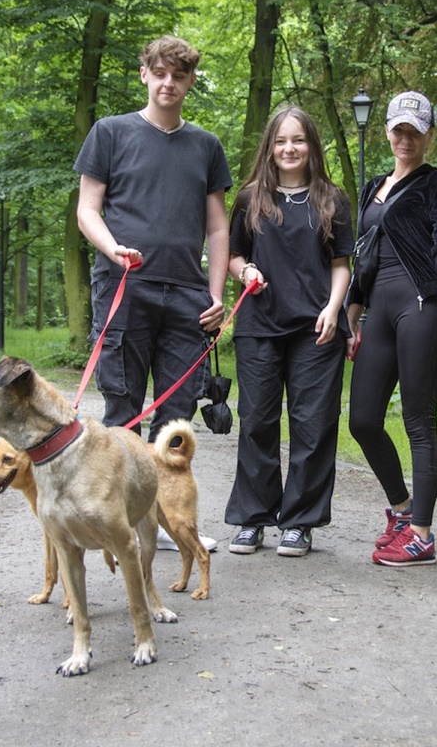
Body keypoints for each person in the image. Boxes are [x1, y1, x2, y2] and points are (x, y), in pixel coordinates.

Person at [74, 36, 229, 553]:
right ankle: (120, 522)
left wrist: (215, 294)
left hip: (187, 296)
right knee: (123, 408)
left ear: (189, 82)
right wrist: (114, 249)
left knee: (176, 417)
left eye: (179, 76)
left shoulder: (206, 146)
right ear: (144, 73)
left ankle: (166, 523)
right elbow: (87, 210)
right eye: (159, 73)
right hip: (124, 287)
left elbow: (218, 227)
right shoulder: (110, 133)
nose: (168, 83)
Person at [225, 107, 354, 557]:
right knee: (257, 422)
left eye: (298, 140)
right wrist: (246, 273)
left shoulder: (331, 200)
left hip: (316, 330)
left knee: (313, 426)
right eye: (281, 141)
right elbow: (232, 255)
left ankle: (299, 521)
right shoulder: (249, 198)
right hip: (259, 325)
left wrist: (335, 310)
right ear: (270, 147)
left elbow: (342, 264)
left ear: (311, 146)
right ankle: (254, 518)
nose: (289, 149)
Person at [345, 91, 437, 567]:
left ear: (428, 134)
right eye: (398, 130)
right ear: (387, 132)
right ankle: (401, 508)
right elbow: (363, 257)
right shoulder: (374, 184)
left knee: (418, 418)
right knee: (363, 419)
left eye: (415, 131)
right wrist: (351, 318)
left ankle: (421, 534)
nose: (405, 138)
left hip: (424, 305)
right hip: (378, 308)